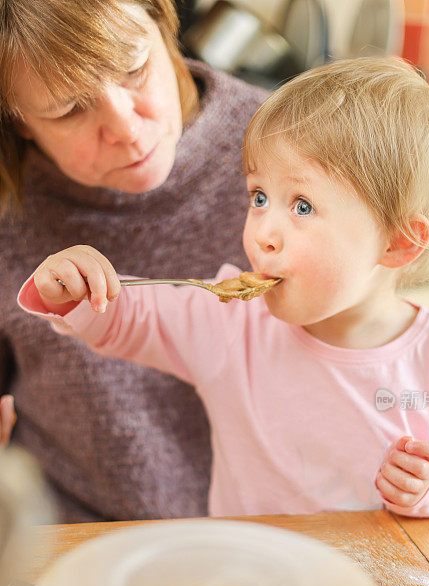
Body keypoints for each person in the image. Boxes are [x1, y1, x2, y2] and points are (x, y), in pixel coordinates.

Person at [19, 57, 429, 517]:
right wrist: (78, 289)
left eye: (303, 206)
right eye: (259, 196)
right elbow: (132, 314)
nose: (262, 234)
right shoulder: (232, 321)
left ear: (398, 243)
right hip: (246, 583)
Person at [0, 0, 266, 521]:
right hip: (66, 542)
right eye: (68, 109)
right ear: (21, 123)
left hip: (264, 541)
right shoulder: (10, 211)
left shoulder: (286, 149)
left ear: (164, 28)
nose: (123, 127)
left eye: (134, 69)